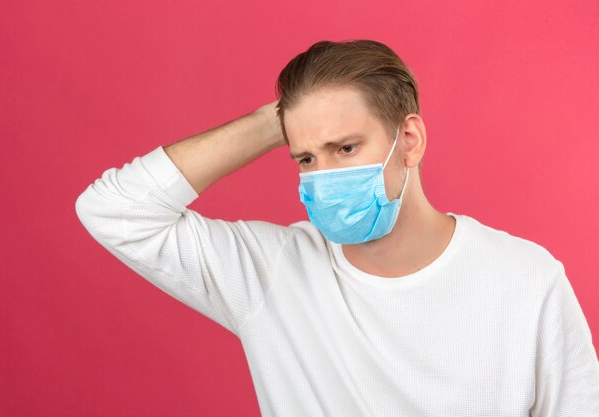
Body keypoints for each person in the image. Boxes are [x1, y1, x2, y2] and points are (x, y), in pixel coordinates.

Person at [75, 39, 599, 416]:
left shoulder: (527, 280)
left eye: (346, 148)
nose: (324, 177)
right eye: (305, 157)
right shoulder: (272, 272)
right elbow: (115, 212)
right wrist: (274, 121)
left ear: (409, 140)